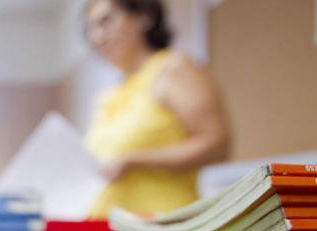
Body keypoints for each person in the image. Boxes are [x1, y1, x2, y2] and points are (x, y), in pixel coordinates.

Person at [83, 0, 230, 218]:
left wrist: (134, 159)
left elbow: (216, 143)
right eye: (90, 28)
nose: (97, 37)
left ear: (144, 17)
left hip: (162, 229)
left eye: (106, 21)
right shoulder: (109, 95)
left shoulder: (173, 69)